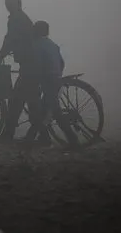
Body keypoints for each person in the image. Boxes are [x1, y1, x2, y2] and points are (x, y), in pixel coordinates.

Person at [0, 0, 47, 142]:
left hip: (30, 65)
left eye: (10, 2)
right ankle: (39, 136)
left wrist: (0, 55)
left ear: (18, 3)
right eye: (6, 2)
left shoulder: (16, 19)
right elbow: (17, 39)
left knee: (18, 100)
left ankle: (10, 135)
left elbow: (10, 38)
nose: (7, 5)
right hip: (31, 64)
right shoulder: (21, 17)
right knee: (26, 101)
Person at [25, 21, 80, 149]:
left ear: (36, 32)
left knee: (55, 112)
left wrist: (35, 82)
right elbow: (61, 63)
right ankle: (38, 139)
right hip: (56, 79)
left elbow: (37, 66)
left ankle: (73, 141)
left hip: (47, 81)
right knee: (47, 110)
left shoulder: (37, 45)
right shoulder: (53, 45)